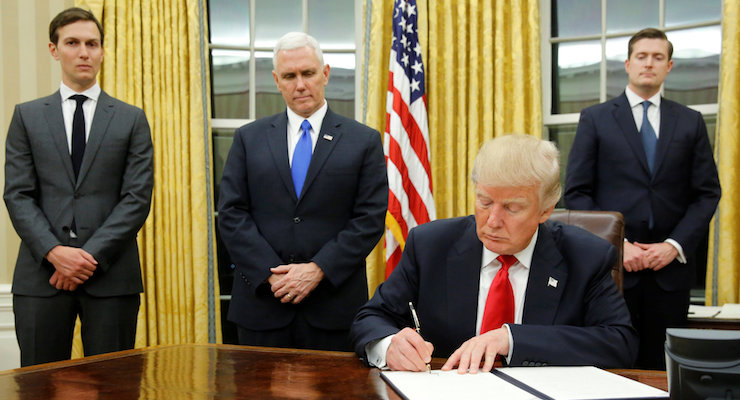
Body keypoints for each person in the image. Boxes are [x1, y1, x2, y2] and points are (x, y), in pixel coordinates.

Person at [350, 134, 638, 373]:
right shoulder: (430, 245)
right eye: (484, 201)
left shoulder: (586, 256)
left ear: (546, 210)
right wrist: (388, 345)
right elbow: (370, 318)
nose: (493, 220)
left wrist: (511, 339)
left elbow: (620, 343)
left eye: (512, 208)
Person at [218, 32, 387, 351]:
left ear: (325, 73)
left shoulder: (362, 141)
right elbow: (231, 214)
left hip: (333, 309)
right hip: (262, 306)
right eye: (289, 76)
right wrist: (273, 275)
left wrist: (317, 269)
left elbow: (369, 219)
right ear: (276, 80)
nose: (300, 84)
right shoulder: (248, 139)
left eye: (308, 73)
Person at [4, 7, 154, 367]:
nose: (84, 52)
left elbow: (136, 198)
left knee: (115, 386)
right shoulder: (27, 116)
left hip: (111, 277)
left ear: (102, 51)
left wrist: (86, 259)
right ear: (55, 50)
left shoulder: (131, 119)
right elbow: (17, 195)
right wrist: (56, 252)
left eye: (92, 43)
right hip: (41, 277)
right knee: (39, 385)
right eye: (72, 43)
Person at [564, 28, 721, 369]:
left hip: (670, 275)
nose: (649, 63)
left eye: (658, 57)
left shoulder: (690, 122)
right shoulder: (596, 119)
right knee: (611, 365)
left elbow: (707, 193)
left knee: (665, 368)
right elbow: (576, 192)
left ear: (670, 66)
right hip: (611, 272)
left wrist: (674, 245)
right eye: (642, 56)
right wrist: (619, 246)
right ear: (627, 63)